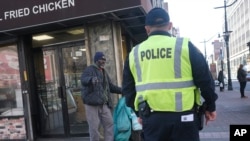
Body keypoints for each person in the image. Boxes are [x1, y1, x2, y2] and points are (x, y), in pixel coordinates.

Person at [122, 7, 218, 141]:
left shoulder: (134, 53)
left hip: (152, 119)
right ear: (170, 26)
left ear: (147, 29)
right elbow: (205, 80)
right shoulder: (185, 46)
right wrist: (210, 106)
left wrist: (139, 113)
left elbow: (128, 90)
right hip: (185, 119)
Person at [81, 51, 122, 141]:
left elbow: (111, 87)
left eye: (104, 60)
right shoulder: (89, 69)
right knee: (94, 128)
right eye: (101, 60)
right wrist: (91, 80)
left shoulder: (104, 72)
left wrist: (123, 90)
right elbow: (83, 80)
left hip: (103, 104)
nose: (103, 62)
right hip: (91, 104)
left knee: (109, 123)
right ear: (96, 60)